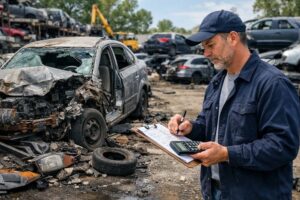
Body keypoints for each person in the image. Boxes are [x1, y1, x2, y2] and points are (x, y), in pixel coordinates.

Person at [168, 10, 300, 200]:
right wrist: (190, 128)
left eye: (210, 45)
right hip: (214, 190)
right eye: (204, 47)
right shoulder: (217, 82)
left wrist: (227, 154)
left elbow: (283, 145)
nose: (206, 53)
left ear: (232, 38)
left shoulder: (272, 84)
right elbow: (210, 128)